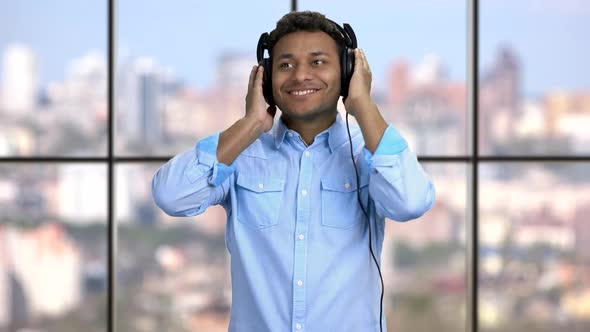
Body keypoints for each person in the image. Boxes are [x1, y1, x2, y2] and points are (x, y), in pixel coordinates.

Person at [152, 11, 435, 332]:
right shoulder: (240, 153)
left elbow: (411, 202)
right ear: (267, 77)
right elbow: (170, 196)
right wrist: (251, 124)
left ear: (346, 71)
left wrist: (362, 104)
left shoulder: (369, 153)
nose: (300, 75)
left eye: (318, 62)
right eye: (286, 65)